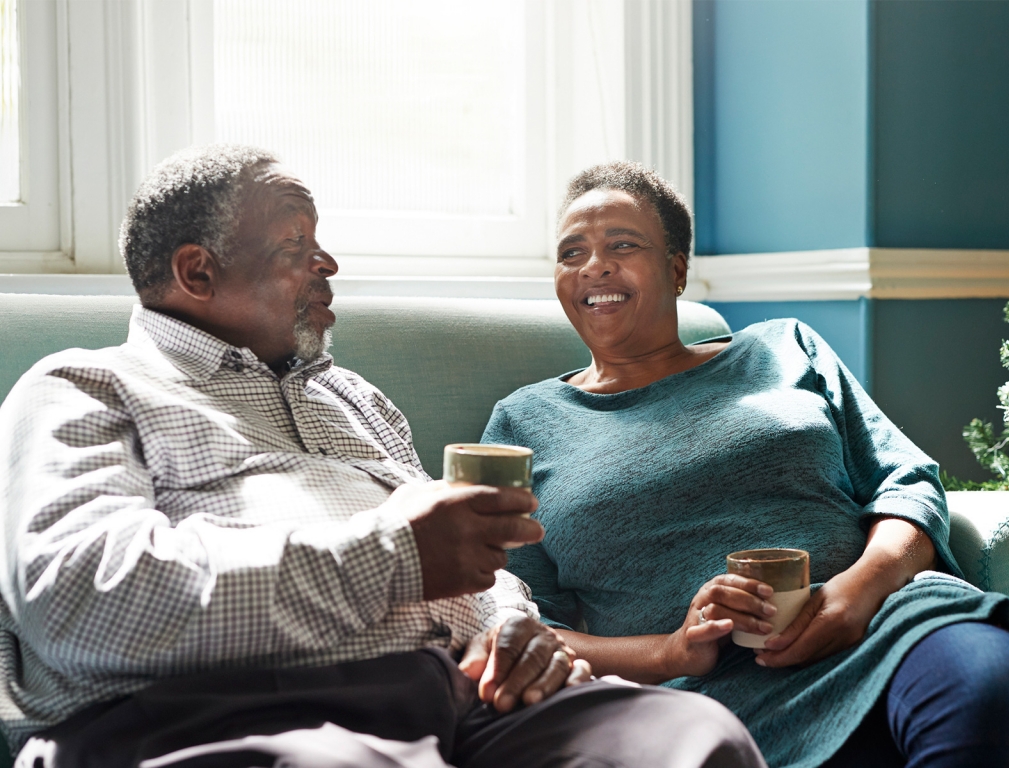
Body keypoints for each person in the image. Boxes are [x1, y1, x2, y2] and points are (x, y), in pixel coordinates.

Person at [0, 146, 767, 768]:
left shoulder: (354, 399)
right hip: (225, 713)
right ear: (198, 272)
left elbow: (472, 569)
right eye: (298, 246)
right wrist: (394, 554)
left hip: (460, 700)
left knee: (692, 741)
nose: (327, 265)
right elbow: (77, 600)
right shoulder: (84, 388)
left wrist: (514, 628)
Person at [481, 160, 1009, 768]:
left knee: (990, 692)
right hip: (706, 696)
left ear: (677, 269)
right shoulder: (523, 423)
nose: (594, 266)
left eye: (622, 245)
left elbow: (907, 482)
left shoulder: (785, 348)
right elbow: (513, 617)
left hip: (884, 626)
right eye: (571, 251)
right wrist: (670, 652)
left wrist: (859, 592)